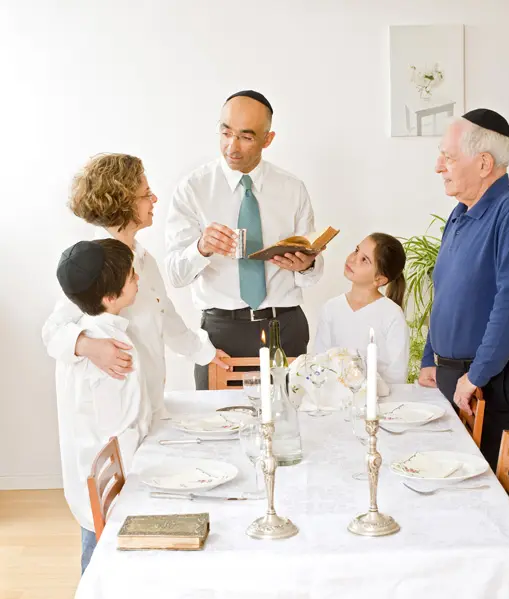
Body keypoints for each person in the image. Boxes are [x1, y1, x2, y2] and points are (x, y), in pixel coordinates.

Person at [42, 154, 228, 417]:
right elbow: (52, 332)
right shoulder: (94, 264)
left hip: (146, 404)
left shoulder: (143, 258)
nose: (155, 200)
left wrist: (206, 354)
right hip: (110, 413)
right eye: (146, 194)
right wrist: (91, 347)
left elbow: (166, 317)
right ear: (122, 203)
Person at [418, 109, 509, 471]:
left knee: (498, 501)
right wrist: (431, 356)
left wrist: (476, 375)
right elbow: (445, 292)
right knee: (459, 487)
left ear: (483, 163)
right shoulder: (460, 212)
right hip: (461, 377)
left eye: (448, 156)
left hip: (500, 379)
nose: (438, 166)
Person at [166, 90, 324, 389]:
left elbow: (310, 276)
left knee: (291, 424)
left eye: (246, 137)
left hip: (285, 326)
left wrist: (305, 265)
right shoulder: (193, 189)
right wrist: (201, 248)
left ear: (268, 139)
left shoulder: (292, 189)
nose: (231, 146)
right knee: (218, 427)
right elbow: (175, 274)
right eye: (225, 132)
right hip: (222, 333)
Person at [54, 238, 151, 574]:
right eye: (131, 276)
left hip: (90, 482)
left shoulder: (83, 337)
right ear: (109, 297)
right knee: (101, 567)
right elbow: (123, 424)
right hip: (110, 487)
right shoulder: (111, 348)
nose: (138, 278)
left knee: (93, 551)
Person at [315, 233, 409, 384]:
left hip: (379, 401)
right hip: (335, 400)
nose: (353, 259)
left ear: (379, 279)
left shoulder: (392, 314)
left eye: (364, 259)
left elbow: (397, 374)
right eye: (356, 250)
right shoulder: (331, 308)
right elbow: (319, 360)